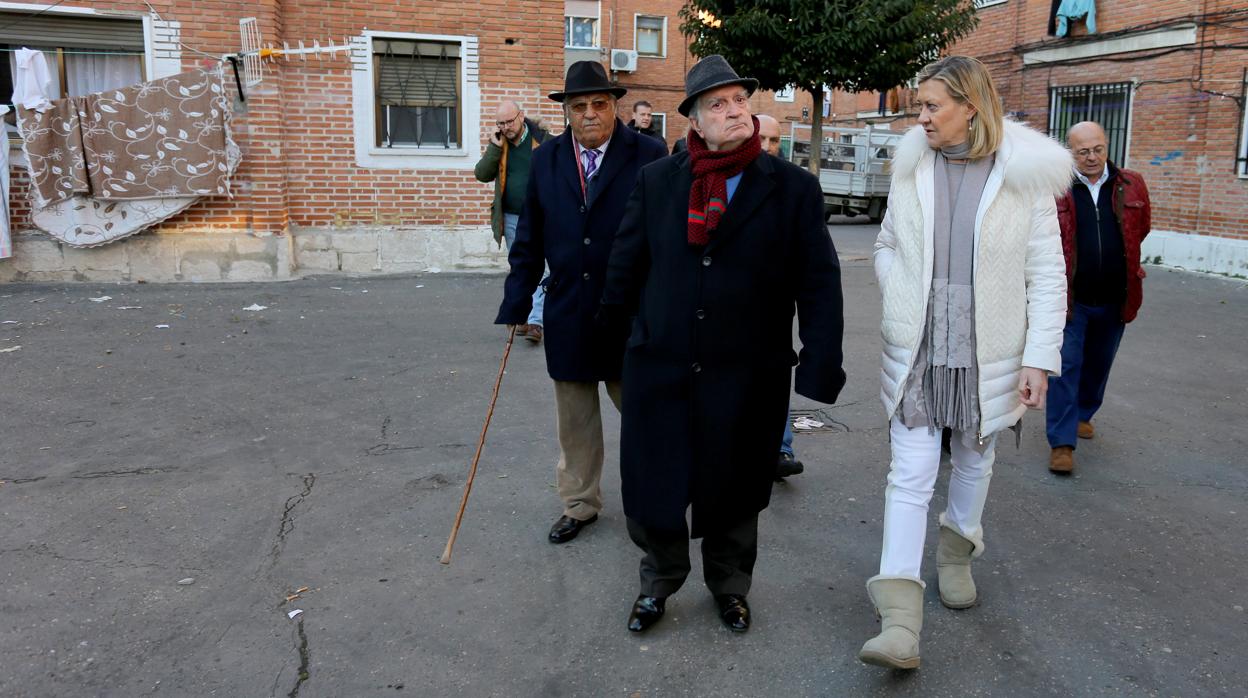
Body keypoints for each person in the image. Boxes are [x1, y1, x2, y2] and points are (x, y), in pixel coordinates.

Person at [601, 55, 846, 634]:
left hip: (747, 369)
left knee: (737, 487)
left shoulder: (791, 189)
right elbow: (625, 267)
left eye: (740, 100)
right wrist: (612, 342)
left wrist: (820, 363)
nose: (734, 111)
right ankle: (657, 582)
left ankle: (730, 586)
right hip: (661, 362)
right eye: (719, 104)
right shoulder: (659, 181)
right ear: (695, 121)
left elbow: (819, 283)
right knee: (656, 482)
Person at [859, 56, 1069, 670]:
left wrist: (1039, 358)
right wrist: (899, 290)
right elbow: (888, 244)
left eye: (931, 106)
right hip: (922, 342)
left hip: (990, 344)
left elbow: (1048, 275)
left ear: (970, 107)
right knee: (911, 470)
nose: (919, 116)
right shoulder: (910, 167)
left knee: (976, 457)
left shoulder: (1023, 175)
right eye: (919, 105)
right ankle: (899, 616)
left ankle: (955, 553)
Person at [496, 61, 667, 545]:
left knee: (641, 416)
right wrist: (516, 300)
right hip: (568, 309)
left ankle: (651, 503)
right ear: (566, 112)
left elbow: (665, 238)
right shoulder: (547, 158)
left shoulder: (648, 155)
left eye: (599, 104)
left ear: (614, 107)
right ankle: (580, 503)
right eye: (579, 107)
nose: (590, 114)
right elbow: (528, 237)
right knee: (575, 423)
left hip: (629, 314)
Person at [1046, 121, 1151, 474]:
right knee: (1065, 365)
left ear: (1106, 147)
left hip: (1115, 295)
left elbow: (1141, 228)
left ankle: (1084, 413)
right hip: (1070, 298)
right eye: (1082, 151)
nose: (1091, 157)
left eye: (1097, 149)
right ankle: (1061, 443)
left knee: (1099, 362)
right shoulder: (1056, 187)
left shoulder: (1131, 183)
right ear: (1070, 153)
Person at [474, 100, 549, 344]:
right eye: (501, 123)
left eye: (509, 121)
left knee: (544, 267)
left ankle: (536, 321)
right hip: (512, 217)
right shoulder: (500, 144)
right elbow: (481, 174)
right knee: (522, 268)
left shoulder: (543, 140)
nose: (506, 127)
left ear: (521, 117)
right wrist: (494, 148)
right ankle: (526, 317)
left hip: (543, 217)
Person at [757, 113, 804, 480]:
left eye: (774, 141)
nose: (769, 148)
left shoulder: (792, 187)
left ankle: (781, 449)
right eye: (762, 140)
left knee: (775, 378)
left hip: (774, 307)